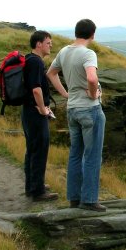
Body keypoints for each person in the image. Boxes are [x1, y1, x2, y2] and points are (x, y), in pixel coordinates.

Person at [47, 19, 107, 211]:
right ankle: (89, 200)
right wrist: (92, 93)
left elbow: (51, 73)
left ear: (76, 32)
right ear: (93, 34)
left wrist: (65, 93)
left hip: (72, 109)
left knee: (75, 155)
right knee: (92, 156)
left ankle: (74, 198)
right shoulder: (88, 53)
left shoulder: (64, 51)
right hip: (90, 110)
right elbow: (91, 77)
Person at [22, 30, 59, 201]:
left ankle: (32, 186)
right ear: (39, 44)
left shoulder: (28, 59)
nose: (50, 45)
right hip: (35, 113)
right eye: (48, 42)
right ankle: (38, 192)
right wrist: (43, 109)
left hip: (28, 112)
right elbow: (36, 89)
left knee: (32, 149)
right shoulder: (36, 62)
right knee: (39, 151)